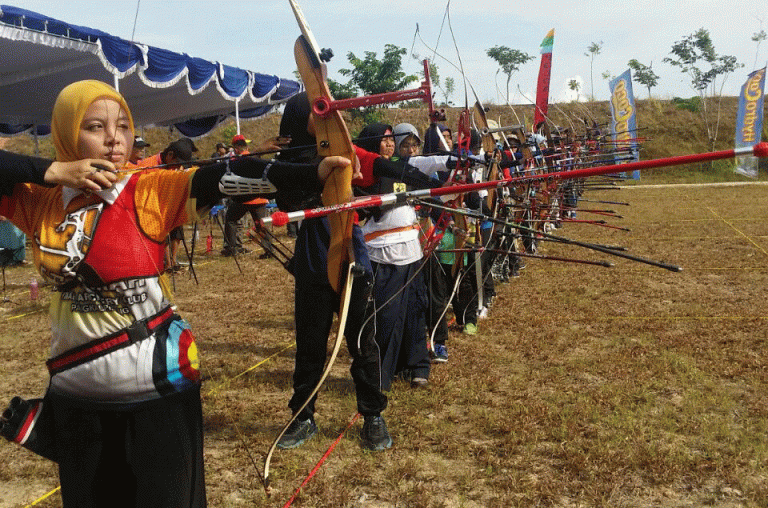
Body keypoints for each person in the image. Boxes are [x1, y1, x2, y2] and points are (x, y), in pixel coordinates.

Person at [0, 80, 351, 508]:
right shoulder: (38, 200)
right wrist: (53, 172)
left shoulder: (147, 189)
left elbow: (221, 177)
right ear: (66, 132)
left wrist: (312, 174)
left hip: (159, 393)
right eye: (95, 126)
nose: (114, 138)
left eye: (124, 126)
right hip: (77, 400)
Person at [356, 123, 437, 390]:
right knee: (386, 316)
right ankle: (380, 375)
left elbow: (431, 163)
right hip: (382, 253)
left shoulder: (402, 167)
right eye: (384, 140)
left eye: (392, 140)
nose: (390, 144)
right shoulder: (365, 176)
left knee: (415, 309)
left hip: (411, 250)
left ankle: (417, 367)